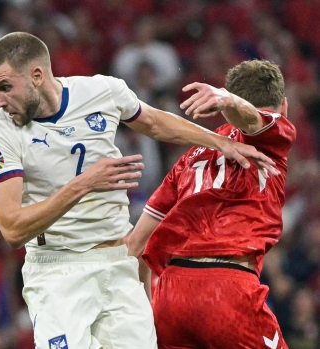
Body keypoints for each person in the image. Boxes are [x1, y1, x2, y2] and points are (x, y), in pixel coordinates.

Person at [0, 32, 278, 349]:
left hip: (116, 262)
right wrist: (83, 183)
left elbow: (152, 122)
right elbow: (12, 229)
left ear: (36, 76)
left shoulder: (101, 91)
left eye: (5, 87)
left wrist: (220, 142)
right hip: (56, 272)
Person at [126, 60, 295, 348]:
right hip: (227, 289)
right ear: (284, 105)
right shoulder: (271, 139)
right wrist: (227, 100)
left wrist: (147, 309)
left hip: (171, 296)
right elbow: (253, 120)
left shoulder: (190, 158)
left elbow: (135, 246)